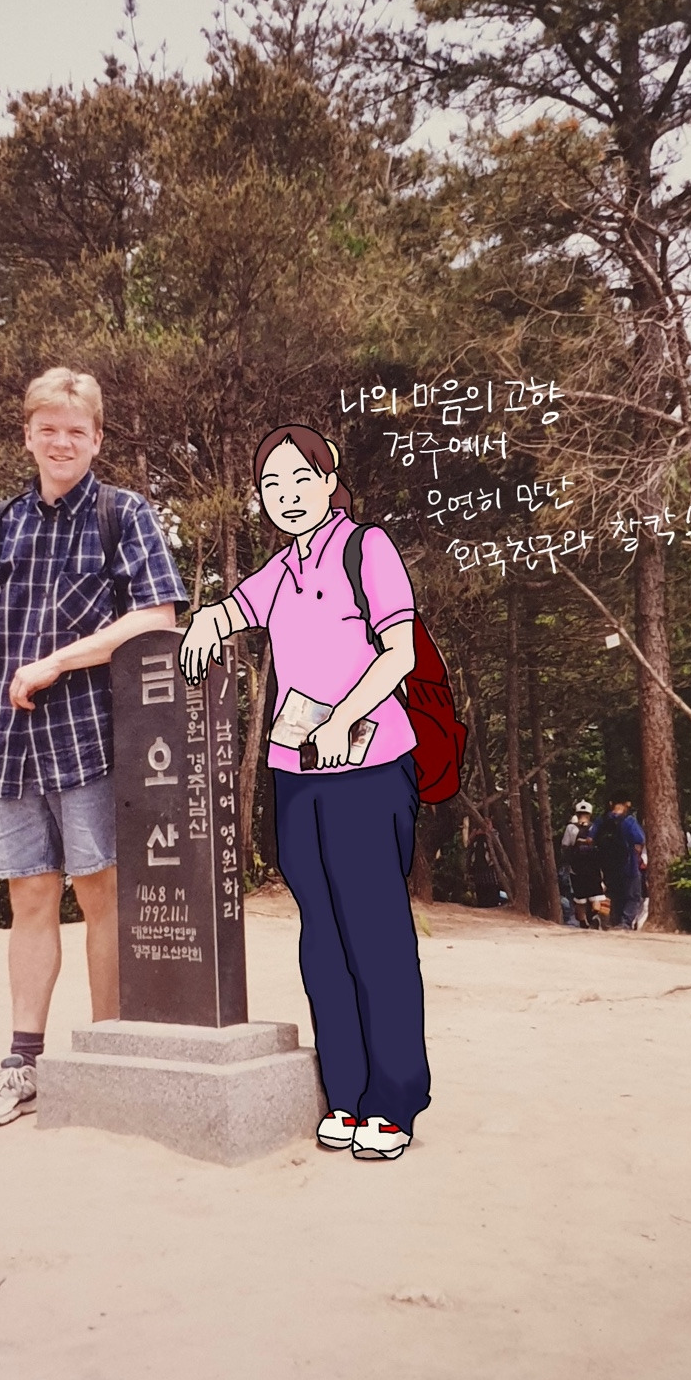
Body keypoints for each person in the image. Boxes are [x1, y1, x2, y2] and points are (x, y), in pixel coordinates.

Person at [179, 424, 431, 1161]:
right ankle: (346, 1092)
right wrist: (206, 622)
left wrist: (344, 717)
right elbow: (235, 609)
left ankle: (393, 1102)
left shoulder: (366, 548)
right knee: (321, 937)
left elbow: (400, 653)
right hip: (296, 774)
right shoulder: (281, 567)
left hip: (369, 767)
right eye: (271, 486)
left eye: (299, 480)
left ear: (328, 480)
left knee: (375, 936)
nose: (286, 496)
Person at [0, 368, 187, 1128]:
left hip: (94, 738)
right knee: (28, 898)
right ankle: (21, 1064)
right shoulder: (1, 524)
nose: (62, 442)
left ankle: (108, 1060)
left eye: (76, 431)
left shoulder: (124, 514)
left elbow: (157, 615)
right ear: (27, 435)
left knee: (101, 896)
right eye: (48, 429)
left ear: (96, 438)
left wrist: (57, 662)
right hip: (11, 743)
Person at [592, 791, 646, 930]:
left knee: (612, 894)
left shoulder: (602, 820)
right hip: (628, 864)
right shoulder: (628, 820)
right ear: (627, 804)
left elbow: (591, 838)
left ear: (611, 803)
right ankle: (624, 923)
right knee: (633, 896)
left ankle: (607, 920)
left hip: (608, 865)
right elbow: (639, 838)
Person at [561, 800, 607, 929]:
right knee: (596, 895)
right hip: (593, 867)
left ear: (577, 813)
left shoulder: (570, 828)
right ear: (590, 814)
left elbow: (565, 845)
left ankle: (583, 922)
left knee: (579, 898)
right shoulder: (595, 827)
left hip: (577, 868)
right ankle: (594, 916)